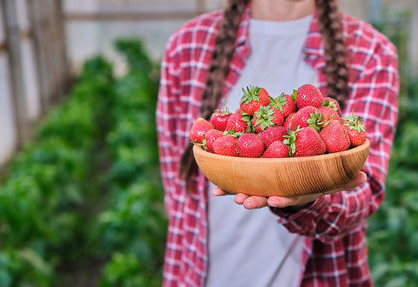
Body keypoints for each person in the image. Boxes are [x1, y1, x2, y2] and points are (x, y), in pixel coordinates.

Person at [156, 0, 399, 285]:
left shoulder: (370, 52)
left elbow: (362, 193)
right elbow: (176, 190)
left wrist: (305, 199)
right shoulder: (187, 47)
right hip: (203, 275)